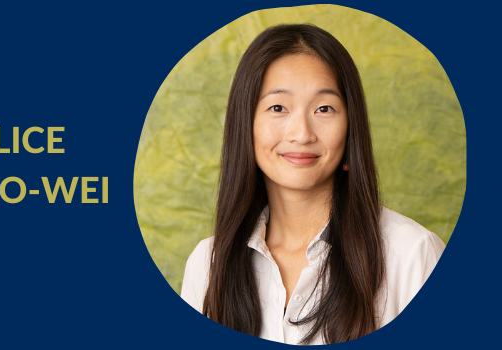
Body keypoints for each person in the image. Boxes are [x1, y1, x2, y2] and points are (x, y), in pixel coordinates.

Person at [181, 23, 446, 345]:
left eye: (324, 108)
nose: (302, 133)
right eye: (278, 108)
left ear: (351, 125)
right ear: (245, 122)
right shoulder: (208, 263)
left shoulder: (412, 253)